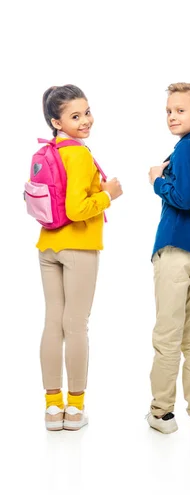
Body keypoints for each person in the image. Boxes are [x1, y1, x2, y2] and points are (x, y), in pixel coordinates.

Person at [37, 85, 122, 431]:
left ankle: (51, 407)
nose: (86, 120)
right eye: (75, 116)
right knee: (76, 326)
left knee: (52, 324)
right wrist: (109, 195)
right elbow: (76, 208)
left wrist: (95, 191)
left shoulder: (52, 150)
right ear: (56, 121)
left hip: (48, 246)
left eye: (87, 112)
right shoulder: (80, 155)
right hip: (79, 248)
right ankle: (74, 409)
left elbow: (62, 196)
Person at [147, 82, 190, 437]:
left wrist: (158, 180)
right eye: (169, 111)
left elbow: (184, 198)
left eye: (181, 110)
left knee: (168, 334)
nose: (173, 116)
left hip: (176, 252)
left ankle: (161, 412)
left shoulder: (188, 148)